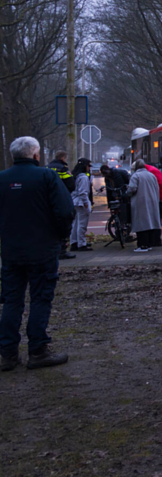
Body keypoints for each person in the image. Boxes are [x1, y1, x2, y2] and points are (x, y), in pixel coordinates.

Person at [0, 136, 75, 371]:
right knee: (41, 298)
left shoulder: (2, 179)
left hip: (11, 251)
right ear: (36, 155)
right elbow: (64, 211)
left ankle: (9, 354)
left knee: (12, 301)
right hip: (43, 249)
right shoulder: (47, 177)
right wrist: (60, 237)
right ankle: (38, 350)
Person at [126, 160, 161, 253]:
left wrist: (127, 193)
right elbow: (157, 188)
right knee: (149, 223)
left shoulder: (136, 176)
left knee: (140, 224)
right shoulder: (151, 175)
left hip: (140, 202)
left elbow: (132, 188)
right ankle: (149, 244)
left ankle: (142, 245)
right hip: (152, 201)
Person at [46, 150, 75, 260]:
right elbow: (71, 185)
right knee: (63, 222)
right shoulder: (63, 169)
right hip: (61, 199)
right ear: (63, 158)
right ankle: (62, 250)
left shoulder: (47, 168)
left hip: (48, 200)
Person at [69, 158, 93, 253]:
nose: (89, 168)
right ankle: (81, 244)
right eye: (88, 166)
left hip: (74, 201)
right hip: (81, 203)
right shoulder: (83, 177)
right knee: (82, 224)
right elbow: (83, 192)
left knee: (75, 224)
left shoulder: (75, 176)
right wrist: (86, 203)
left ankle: (74, 242)